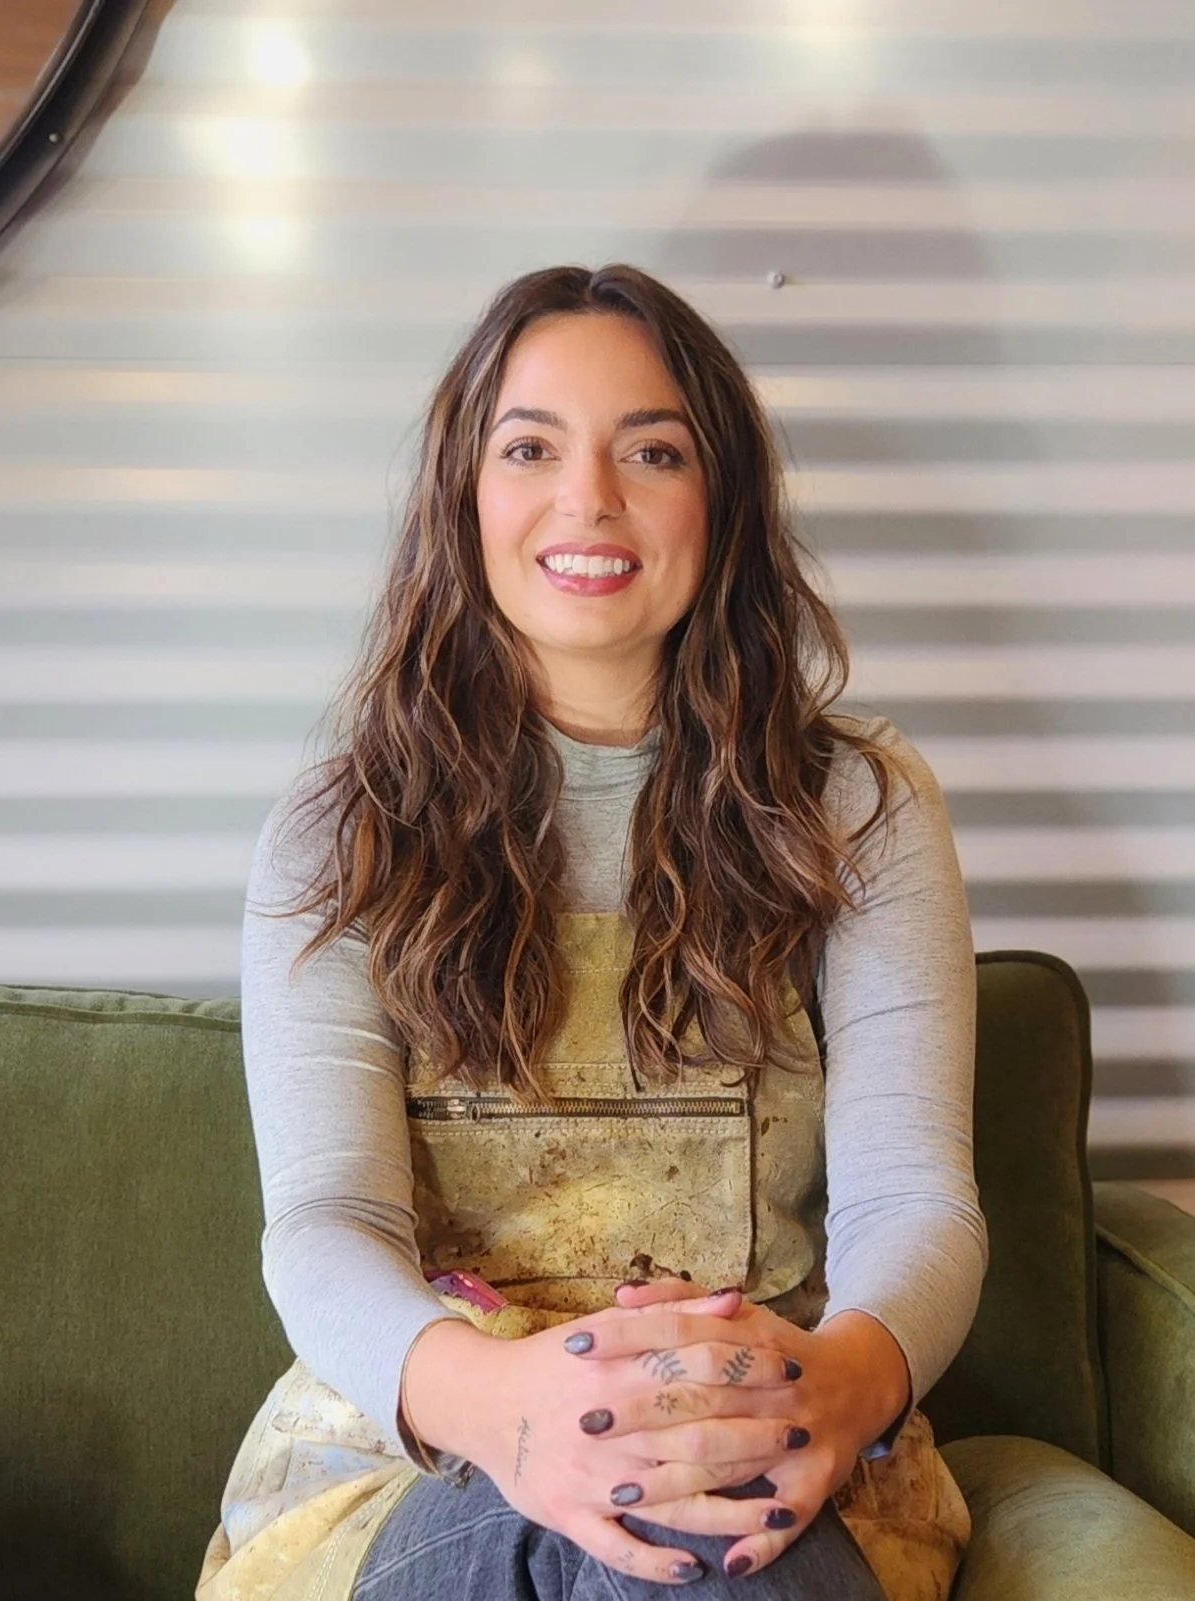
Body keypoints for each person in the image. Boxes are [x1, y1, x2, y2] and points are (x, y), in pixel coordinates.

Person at [196, 263, 988, 1601]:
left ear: (720, 498)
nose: (590, 501)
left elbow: (913, 1200)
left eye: (654, 450)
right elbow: (328, 1221)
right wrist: (511, 1408)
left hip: (759, 1423)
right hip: (432, 1448)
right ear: (464, 494)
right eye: (532, 447)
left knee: (690, 1541)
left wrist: (838, 1386)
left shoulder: (859, 807)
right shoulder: (344, 831)